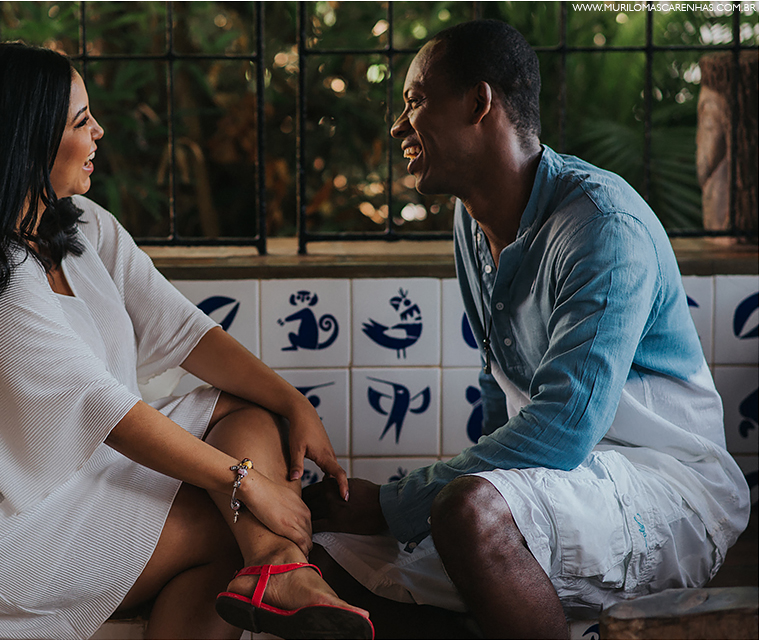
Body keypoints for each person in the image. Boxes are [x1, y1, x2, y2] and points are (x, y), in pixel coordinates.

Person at [0, 42, 374, 641]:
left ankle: (277, 572)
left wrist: (294, 404)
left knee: (249, 419)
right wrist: (248, 482)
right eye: (81, 121)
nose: (99, 131)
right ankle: (281, 569)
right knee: (229, 524)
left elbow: (187, 332)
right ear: (25, 143)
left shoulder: (76, 224)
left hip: (72, 467)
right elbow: (106, 413)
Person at [304, 19, 750, 638]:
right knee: (321, 557)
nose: (398, 126)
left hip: (667, 491)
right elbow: (501, 391)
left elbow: (563, 429)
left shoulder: (601, 223)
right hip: (558, 488)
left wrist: (391, 504)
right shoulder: (471, 219)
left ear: (479, 103)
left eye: (415, 101)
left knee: (469, 514)